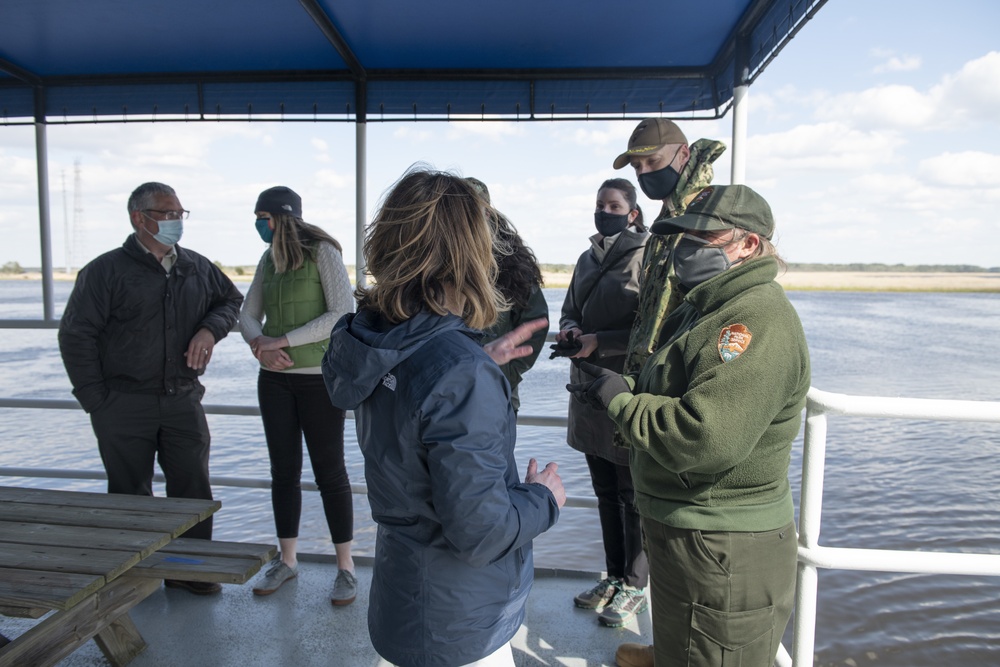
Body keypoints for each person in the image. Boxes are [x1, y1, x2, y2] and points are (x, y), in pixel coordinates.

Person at [322, 167, 566, 667]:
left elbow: (413, 401)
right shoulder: (458, 373)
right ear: (469, 252)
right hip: (459, 626)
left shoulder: (371, 339)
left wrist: (473, 359)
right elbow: (480, 532)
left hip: (402, 600)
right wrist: (545, 500)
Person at [568, 185, 810, 667]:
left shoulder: (753, 319)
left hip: (723, 543)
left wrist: (620, 400)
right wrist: (627, 381)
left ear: (749, 244)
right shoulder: (702, 307)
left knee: (714, 648)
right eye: (683, 237)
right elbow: (671, 378)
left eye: (705, 238)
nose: (688, 249)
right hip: (686, 529)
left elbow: (703, 438)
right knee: (684, 636)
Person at [58, 181, 243, 596]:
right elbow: (75, 336)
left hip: (182, 400)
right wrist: (97, 401)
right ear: (138, 218)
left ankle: (188, 571)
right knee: (129, 494)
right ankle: (134, 579)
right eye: (167, 213)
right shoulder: (104, 272)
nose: (176, 220)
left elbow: (231, 301)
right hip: (121, 403)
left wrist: (209, 331)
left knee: (192, 488)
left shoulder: (196, 266)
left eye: (180, 213)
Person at [610, 117, 726, 667]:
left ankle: (688, 653)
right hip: (652, 384)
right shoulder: (669, 214)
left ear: (682, 154)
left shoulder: (707, 212)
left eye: (651, 163)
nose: (643, 173)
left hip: (682, 386)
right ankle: (668, 647)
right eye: (636, 166)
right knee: (659, 524)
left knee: (688, 536)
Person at [239, 186, 357, 603]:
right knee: (282, 472)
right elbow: (247, 314)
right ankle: (287, 561)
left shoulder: (323, 251)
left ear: (279, 217)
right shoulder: (266, 259)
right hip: (274, 382)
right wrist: (260, 347)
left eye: (261, 217)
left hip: (317, 380)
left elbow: (342, 312)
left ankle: (345, 567)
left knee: (331, 473)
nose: (257, 224)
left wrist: (280, 341)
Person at [553, 178, 649, 628]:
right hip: (586, 387)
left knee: (633, 495)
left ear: (633, 212)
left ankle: (636, 583)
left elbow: (654, 331)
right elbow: (570, 307)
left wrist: (600, 341)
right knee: (606, 493)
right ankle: (612, 577)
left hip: (625, 387)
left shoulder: (647, 257)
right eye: (599, 204)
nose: (604, 211)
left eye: (613, 205)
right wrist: (571, 331)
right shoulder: (586, 258)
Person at [466, 177, 548, 412]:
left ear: (488, 213)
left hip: (497, 391)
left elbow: (536, 323)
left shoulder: (512, 262)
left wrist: (505, 373)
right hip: (448, 390)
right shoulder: (440, 255)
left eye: (472, 208)